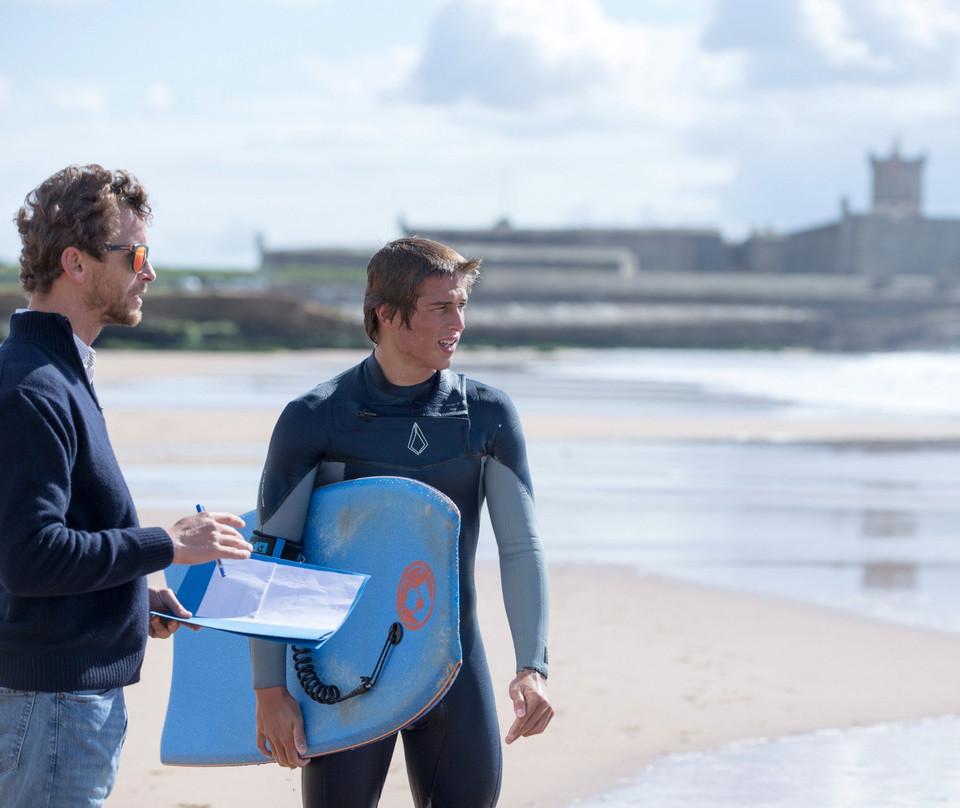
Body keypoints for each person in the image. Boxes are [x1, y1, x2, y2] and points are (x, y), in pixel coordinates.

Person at [250, 236, 554, 806]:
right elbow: (273, 554)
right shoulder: (317, 418)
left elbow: (521, 548)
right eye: (442, 307)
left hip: (453, 669)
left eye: (463, 304)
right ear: (386, 314)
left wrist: (531, 666)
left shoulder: (484, 414)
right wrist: (270, 690)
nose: (459, 322)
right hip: (344, 672)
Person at [0, 164, 253, 808]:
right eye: (136, 253)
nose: (150, 272)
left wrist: (132, 604)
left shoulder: (51, 373)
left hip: (48, 704)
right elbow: (29, 558)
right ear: (75, 264)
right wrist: (165, 544)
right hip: (49, 709)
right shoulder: (34, 387)